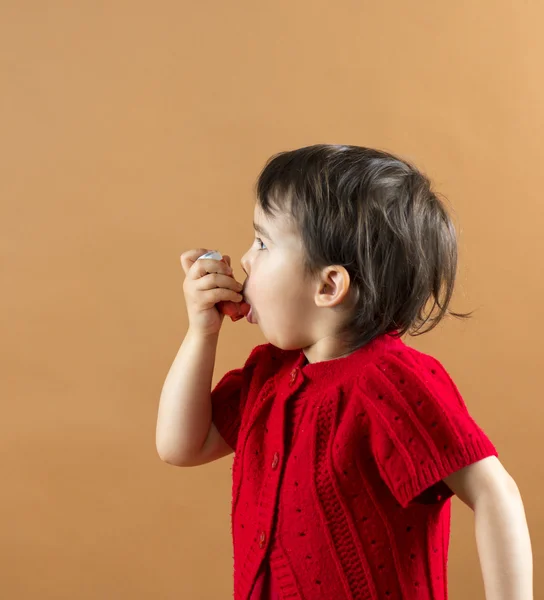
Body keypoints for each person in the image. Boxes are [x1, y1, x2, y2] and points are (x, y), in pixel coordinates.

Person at [156, 144, 533, 600]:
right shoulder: (270, 376)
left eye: (262, 243)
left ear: (329, 284)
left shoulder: (393, 382)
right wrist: (202, 333)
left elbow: (496, 494)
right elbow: (181, 444)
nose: (247, 260)